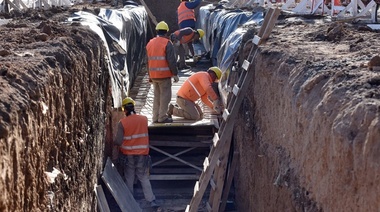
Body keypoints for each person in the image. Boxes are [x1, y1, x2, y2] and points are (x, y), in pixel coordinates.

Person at [114, 97, 158, 208]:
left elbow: (118, 141)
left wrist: (113, 141)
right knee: (143, 177)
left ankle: (130, 201)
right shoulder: (144, 119)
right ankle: (151, 200)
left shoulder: (122, 123)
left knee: (129, 178)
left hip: (128, 155)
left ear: (124, 110)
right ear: (134, 107)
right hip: (142, 155)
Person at [146, 21, 179, 123]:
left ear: (157, 31)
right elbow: (171, 61)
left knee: (156, 97)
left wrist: (150, 75)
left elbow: (147, 61)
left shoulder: (150, 43)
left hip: (154, 75)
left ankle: (155, 117)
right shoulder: (167, 43)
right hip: (164, 76)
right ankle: (162, 117)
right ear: (166, 32)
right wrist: (175, 74)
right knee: (165, 97)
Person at [177, 0, 202, 65]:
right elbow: (195, 4)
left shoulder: (180, 6)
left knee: (188, 42)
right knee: (184, 44)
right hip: (187, 23)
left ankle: (188, 55)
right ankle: (185, 56)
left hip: (183, 24)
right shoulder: (186, 4)